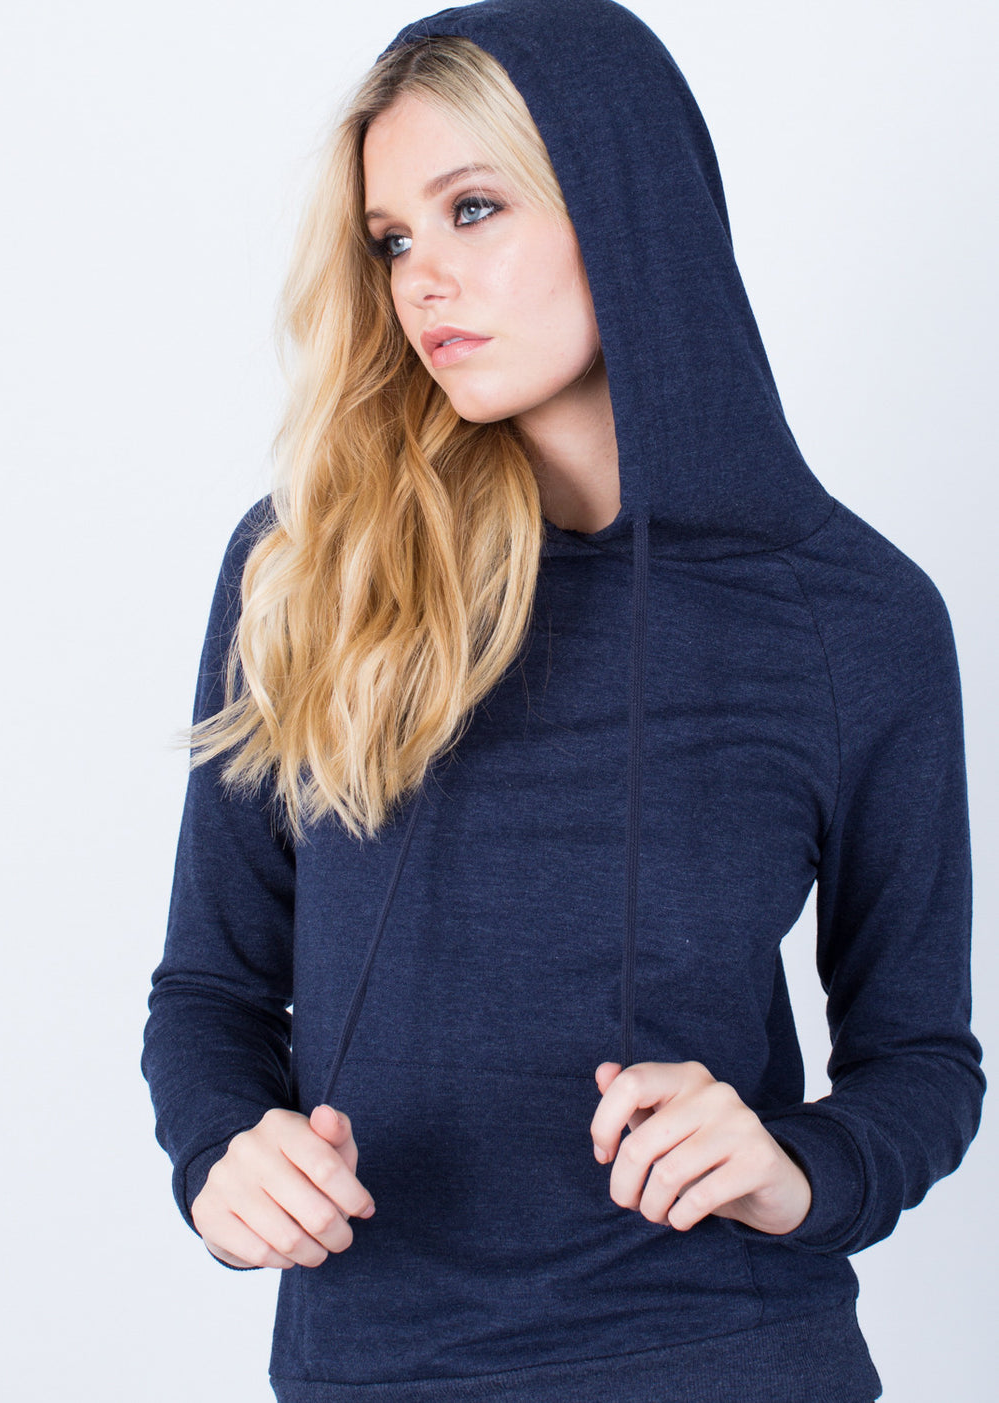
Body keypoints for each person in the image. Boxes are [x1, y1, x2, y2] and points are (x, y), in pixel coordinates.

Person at [141, 2, 984, 1399]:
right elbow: (211, 990)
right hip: (376, 1370)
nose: (422, 281)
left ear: (626, 207)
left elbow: (922, 1060)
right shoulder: (312, 571)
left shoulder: (854, 618)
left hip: (728, 1357)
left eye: (472, 209)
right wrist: (221, 1155)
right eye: (391, 240)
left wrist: (795, 1169)